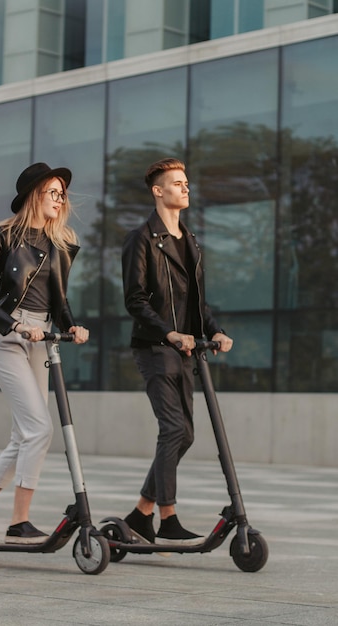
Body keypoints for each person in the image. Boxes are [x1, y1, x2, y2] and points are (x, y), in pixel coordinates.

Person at [0, 162, 89, 545]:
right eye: (53, 192)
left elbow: (59, 300)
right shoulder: (1, 235)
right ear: (35, 194)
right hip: (7, 338)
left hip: (42, 336)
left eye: (62, 193)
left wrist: (71, 326)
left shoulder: (60, 241)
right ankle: (19, 521)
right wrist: (15, 326)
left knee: (24, 436)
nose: (60, 199)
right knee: (40, 429)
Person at [121, 157, 233, 547]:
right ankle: (167, 516)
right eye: (177, 183)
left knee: (184, 435)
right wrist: (169, 333)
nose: (186, 188)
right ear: (158, 191)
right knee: (174, 429)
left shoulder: (191, 242)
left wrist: (215, 331)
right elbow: (135, 300)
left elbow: (197, 305)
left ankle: (140, 513)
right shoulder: (141, 238)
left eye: (187, 182)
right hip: (156, 347)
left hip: (186, 351)